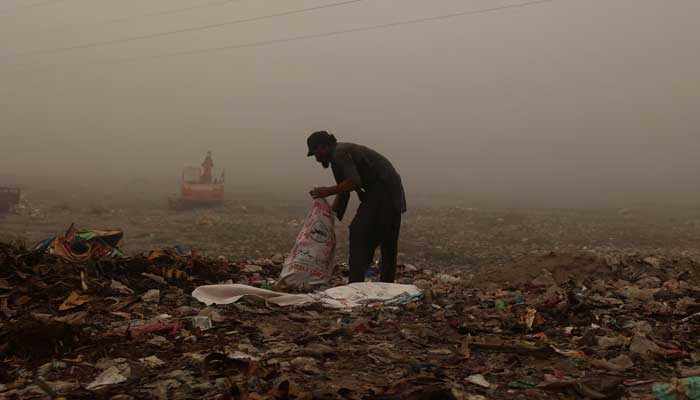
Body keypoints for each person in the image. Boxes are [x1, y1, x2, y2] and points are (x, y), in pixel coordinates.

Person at [307, 131, 406, 283]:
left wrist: (326, 191)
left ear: (322, 147)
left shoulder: (339, 153)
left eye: (315, 153)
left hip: (384, 192)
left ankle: (356, 283)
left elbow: (353, 182)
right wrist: (330, 216)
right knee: (384, 239)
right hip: (386, 193)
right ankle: (382, 283)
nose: (316, 158)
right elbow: (344, 190)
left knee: (362, 233)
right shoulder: (336, 157)